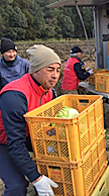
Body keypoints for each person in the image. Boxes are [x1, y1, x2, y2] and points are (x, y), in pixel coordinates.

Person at [0, 44, 61, 196]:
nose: (55, 75)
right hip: (4, 141)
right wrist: (37, 178)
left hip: (27, 134)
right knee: (17, 186)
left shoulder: (48, 90)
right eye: (50, 69)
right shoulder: (15, 96)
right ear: (36, 70)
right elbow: (15, 144)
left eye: (58, 70)